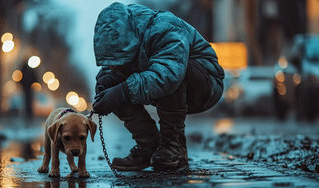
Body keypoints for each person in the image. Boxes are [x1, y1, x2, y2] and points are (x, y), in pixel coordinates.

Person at [92, 2, 224, 171]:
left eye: (118, 61)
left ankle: (173, 147)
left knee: (170, 74)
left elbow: (167, 74)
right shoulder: (124, 38)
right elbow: (111, 71)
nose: (114, 67)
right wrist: (103, 91)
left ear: (130, 39)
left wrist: (123, 91)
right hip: (171, 79)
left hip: (205, 85)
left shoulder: (164, 27)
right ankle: (148, 146)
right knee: (110, 84)